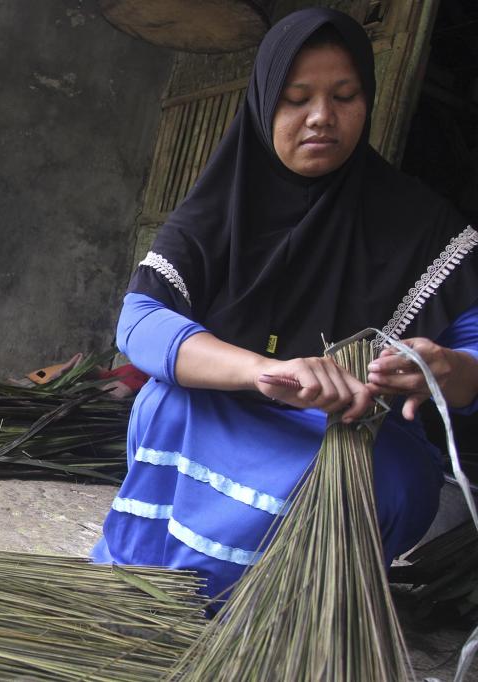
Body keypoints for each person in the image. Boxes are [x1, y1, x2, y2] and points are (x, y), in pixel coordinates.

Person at [91, 8, 478, 604]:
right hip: (226, 403)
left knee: (397, 477)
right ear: (265, 103)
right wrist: (262, 373)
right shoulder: (220, 208)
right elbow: (140, 323)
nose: (322, 117)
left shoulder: (422, 227)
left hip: (347, 435)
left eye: (345, 96)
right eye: (297, 99)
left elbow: (471, 354)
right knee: (165, 401)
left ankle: (291, 618)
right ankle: (152, 594)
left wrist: (447, 370)